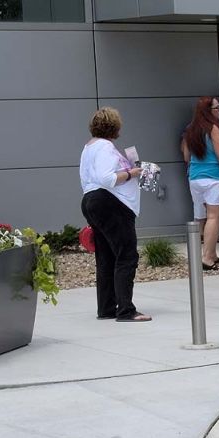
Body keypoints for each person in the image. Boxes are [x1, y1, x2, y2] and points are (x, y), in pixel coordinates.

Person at [78, 107, 149, 323]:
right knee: (126, 255)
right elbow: (107, 179)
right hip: (111, 204)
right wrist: (132, 173)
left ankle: (107, 307)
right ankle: (126, 310)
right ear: (114, 126)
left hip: (92, 201)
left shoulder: (89, 147)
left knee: (106, 256)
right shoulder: (105, 147)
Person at [181, 96, 219, 272]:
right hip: (214, 178)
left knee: (202, 217)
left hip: (195, 178)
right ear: (208, 111)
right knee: (214, 217)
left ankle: (209, 254)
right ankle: (207, 257)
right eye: (216, 108)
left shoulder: (190, 129)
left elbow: (186, 156)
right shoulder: (213, 129)